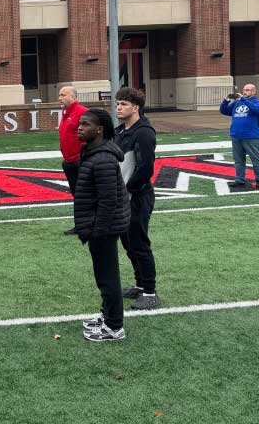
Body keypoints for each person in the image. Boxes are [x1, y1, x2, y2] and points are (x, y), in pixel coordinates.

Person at [73, 107, 130, 342]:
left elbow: (109, 200)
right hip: (97, 226)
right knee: (103, 274)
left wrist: (99, 229)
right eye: (80, 123)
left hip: (104, 228)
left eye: (85, 124)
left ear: (99, 129)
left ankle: (115, 326)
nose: (80, 127)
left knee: (108, 277)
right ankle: (107, 315)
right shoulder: (92, 152)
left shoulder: (103, 159)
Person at [114, 87, 160, 310]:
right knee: (128, 243)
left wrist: (129, 190)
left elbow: (145, 169)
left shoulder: (144, 132)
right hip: (124, 196)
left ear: (136, 107)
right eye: (118, 103)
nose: (118, 108)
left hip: (138, 197)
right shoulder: (121, 131)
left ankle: (150, 292)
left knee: (139, 244)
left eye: (123, 104)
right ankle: (140, 285)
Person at [219, 83, 259, 189]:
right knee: (238, 160)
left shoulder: (257, 102)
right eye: (244, 89)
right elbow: (224, 111)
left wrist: (244, 100)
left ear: (253, 91)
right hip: (236, 135)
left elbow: (257, 110)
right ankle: (239, 179)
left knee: (256, 159)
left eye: (248, 90)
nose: (245, 92)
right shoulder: (237, 102)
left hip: (252, 136)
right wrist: (226, 100)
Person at [58, 85, 87, 235]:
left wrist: (85, 155)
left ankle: (88, 225)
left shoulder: (82, 112)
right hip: (69, 161)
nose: (60, 98)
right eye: (60, 95)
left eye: (63, 95)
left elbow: (93, 134)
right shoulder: (65, 112)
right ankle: (80, 225)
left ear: (73, 97)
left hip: (79, 161)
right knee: (77, 194)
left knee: (84, 194)